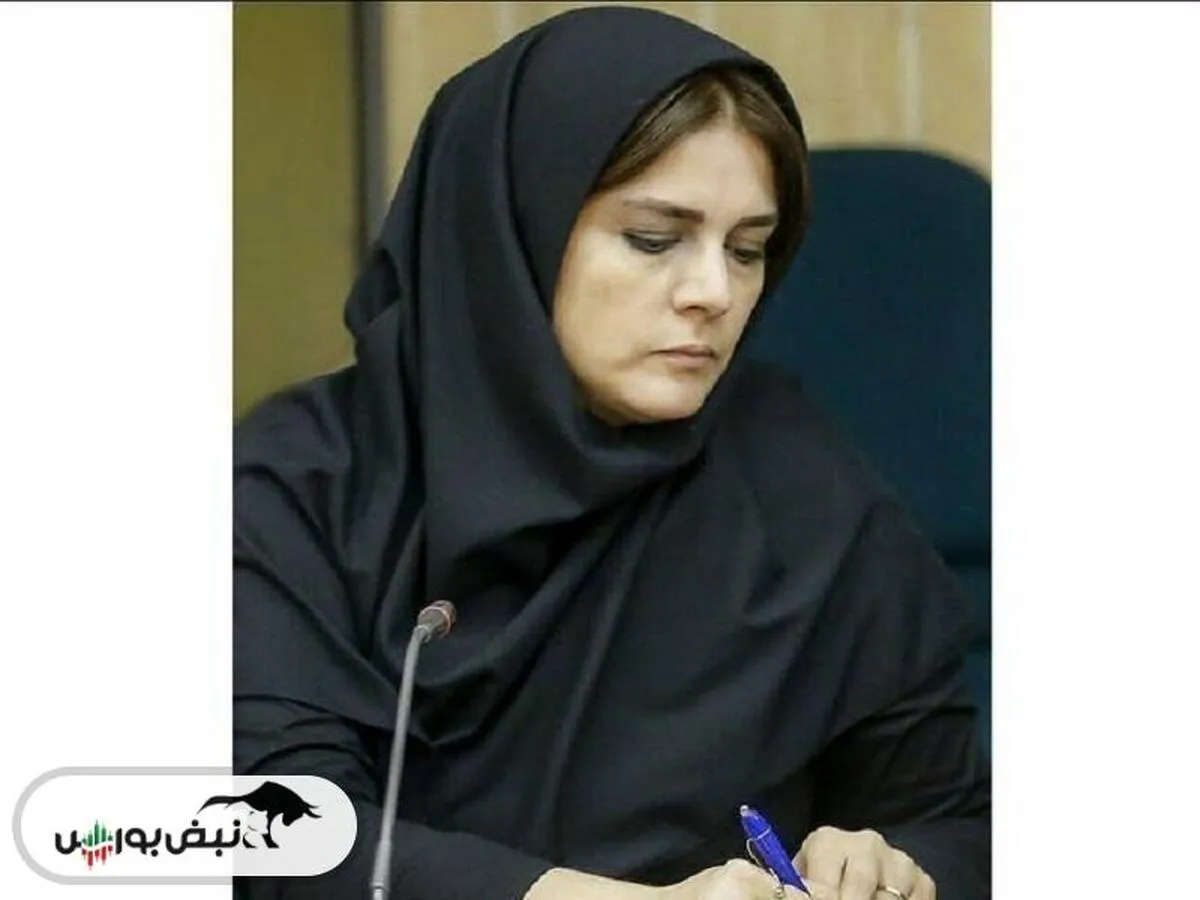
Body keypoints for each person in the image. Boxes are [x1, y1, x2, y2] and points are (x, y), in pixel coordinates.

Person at [232, 6, 991, 899]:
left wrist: (894, 868)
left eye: (749, 250)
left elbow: (962, 824)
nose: (713, 291)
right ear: (511, 228)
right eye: (654, 240)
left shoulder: (799, 479)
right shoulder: (293, 488)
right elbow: (271, 837)